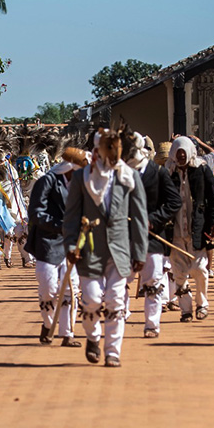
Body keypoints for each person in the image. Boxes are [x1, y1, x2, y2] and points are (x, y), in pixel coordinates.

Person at [64, 130, 148, 368]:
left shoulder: (129, 177)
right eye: (107, 148)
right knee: (90, 299)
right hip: (89, 250)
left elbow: (140, 218)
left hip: (120, 251)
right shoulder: (83, 178)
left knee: (115, 301)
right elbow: (71, 217)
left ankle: (113, 352)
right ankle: (92, 337)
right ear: (98, 150)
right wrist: (71, 244)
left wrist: (140, 252)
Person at [125, 132, 181, 338]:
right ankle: (121, 314)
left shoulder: (158, 173)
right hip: (125, 238)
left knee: (153, 282)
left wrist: (154, 220)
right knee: (120, 281)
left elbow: (174, 202)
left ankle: (151, 324)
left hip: (152, 238)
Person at [167, 136, 214, 322]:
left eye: (183, 152)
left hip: (197, 228)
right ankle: (186, 310)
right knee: (179, 272)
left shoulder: (202, 169)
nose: (181, 156)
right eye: (178, 152)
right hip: (175, 231)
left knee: (199, 269)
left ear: (190, 152)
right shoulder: (168, 172)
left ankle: (202, 304)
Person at [25, 160, 80, 346]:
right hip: (47, 242)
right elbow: (35, 212)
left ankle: (67, 333)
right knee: (48, 288)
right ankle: (49, 324)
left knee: (71, 290)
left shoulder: (81, 184)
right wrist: (59, 226)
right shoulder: (46, 182)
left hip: (72, 243)